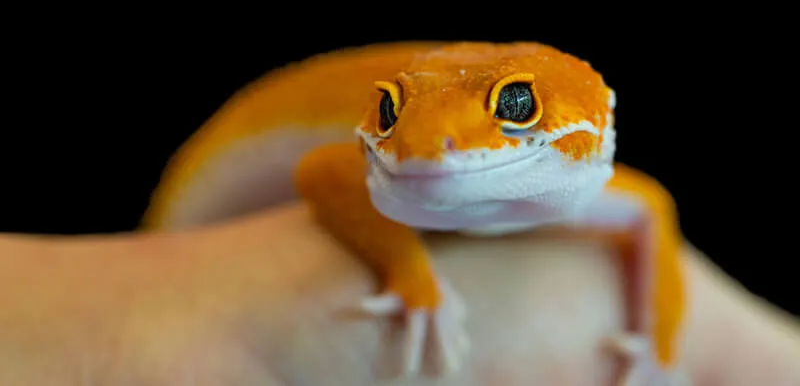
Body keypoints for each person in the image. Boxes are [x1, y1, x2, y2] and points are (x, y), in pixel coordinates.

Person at [1, 200, 798, 386]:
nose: (432, 151)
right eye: (390, 119)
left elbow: (647, 209)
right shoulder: (398, 154)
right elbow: (326, 173)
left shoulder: (613, 201)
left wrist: (661, 339)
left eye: (512, 112)